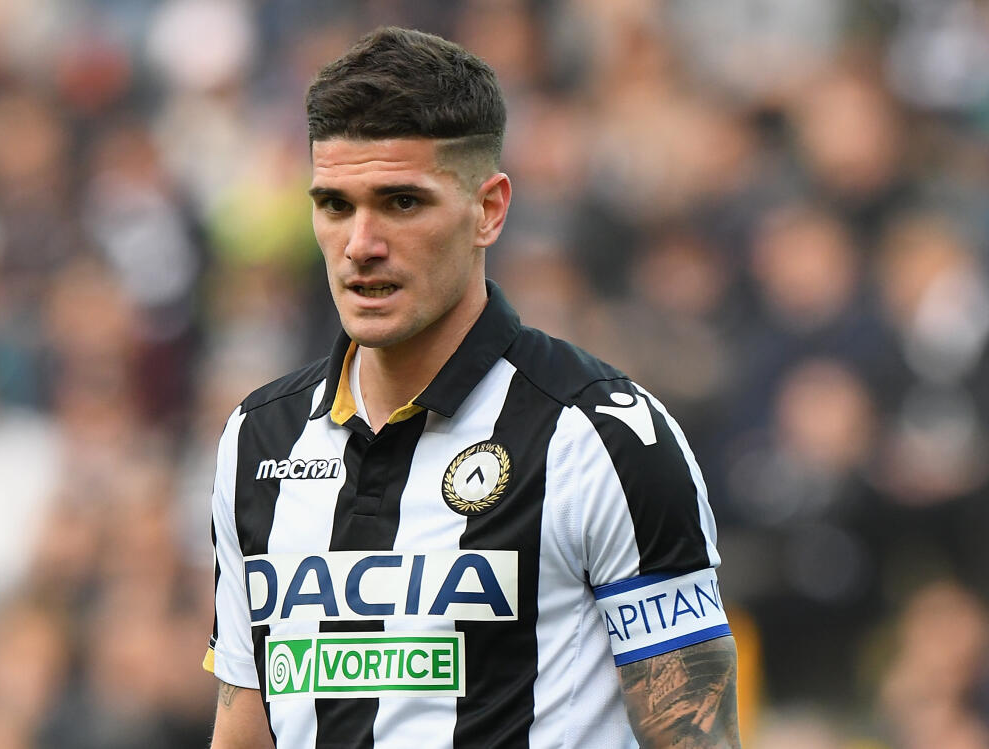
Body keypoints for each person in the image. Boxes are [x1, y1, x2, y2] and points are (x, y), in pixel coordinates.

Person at [204, 26, 741, 749]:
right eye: (334, 205)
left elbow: (697, 737)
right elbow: (245, 727)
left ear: (488, 210)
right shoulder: (257, 438)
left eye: (401, 202)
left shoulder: (604, 439)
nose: (360, 244)